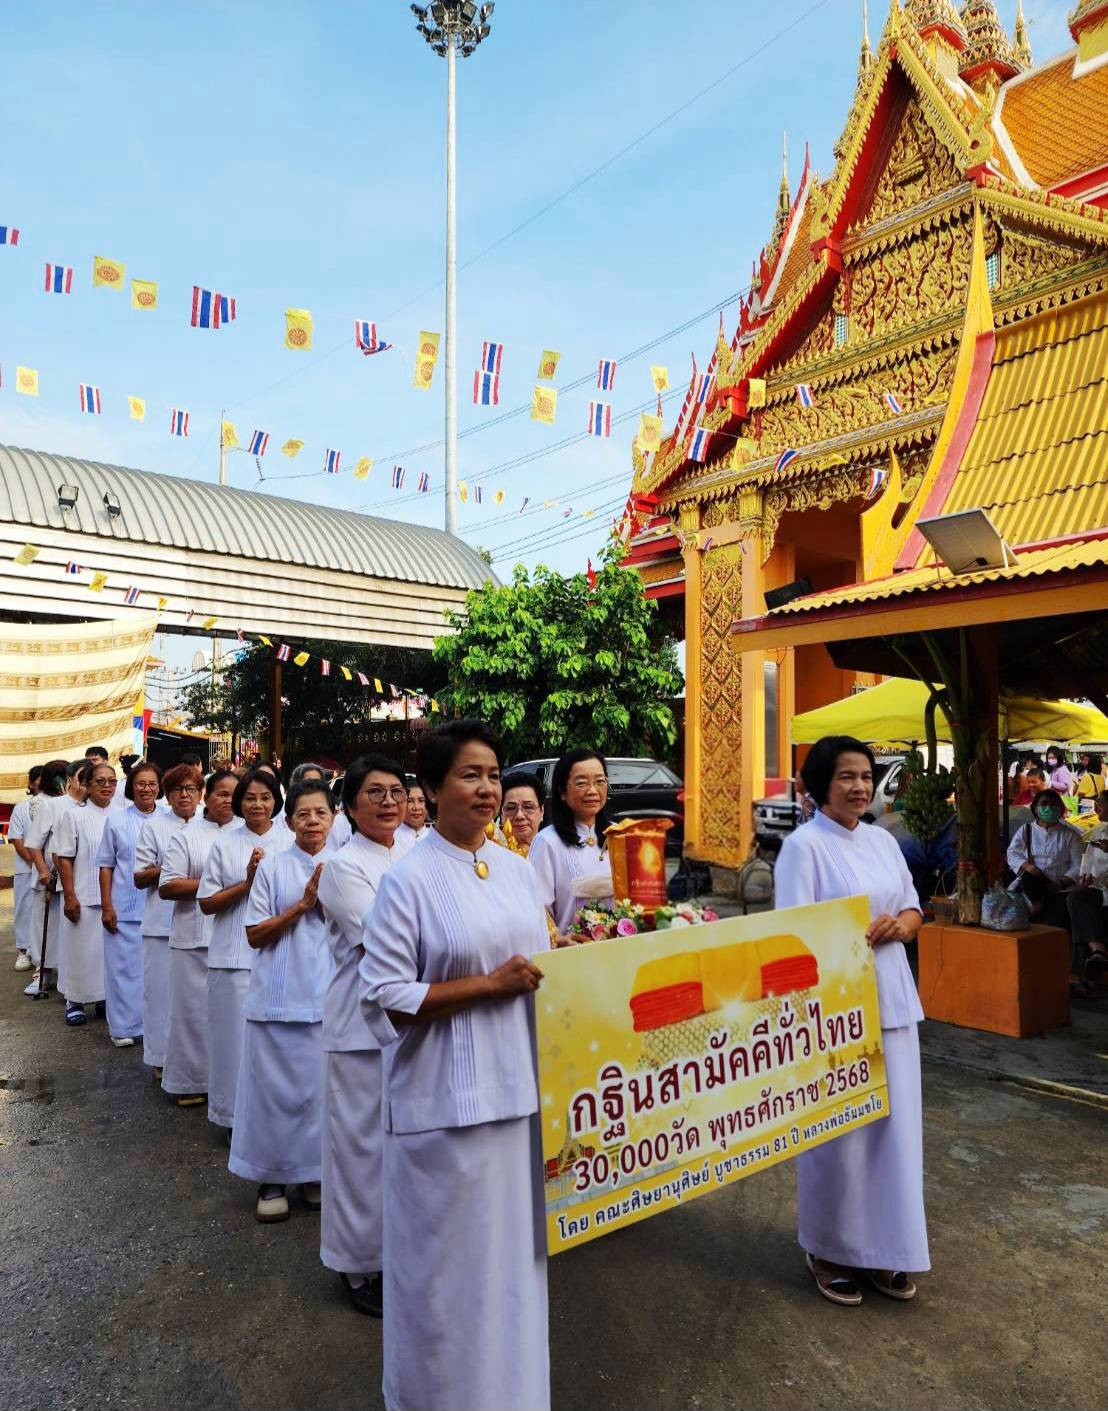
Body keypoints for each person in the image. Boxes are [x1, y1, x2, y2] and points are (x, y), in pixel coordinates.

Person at [360, 720, 551, 1411]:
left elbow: (544, 969)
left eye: (495, 774)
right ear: (434, 788)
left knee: (512, 1275)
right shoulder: (407, 879)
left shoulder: (517, 869)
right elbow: (384, 995)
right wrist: (486, 986)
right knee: (447, 1276)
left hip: (520, 1097)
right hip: (444, 1109)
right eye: (471, 774)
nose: (488, 787)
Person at [775, 735, 928, 1305]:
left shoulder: (885, 842)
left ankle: (887, 1249)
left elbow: (914, 906)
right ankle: (829, 1248)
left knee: (894, 1134)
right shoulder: (803, 847)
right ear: (819, 785)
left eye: (866, 775)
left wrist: (903, 928)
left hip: (893, 1001)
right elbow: (792, 939)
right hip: (834, 1012)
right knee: (838, 1137)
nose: (860, 786)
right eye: (846, 776)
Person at [316, 755, 410, 1316]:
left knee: (403, 1148)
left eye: (396, 790)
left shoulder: (418, 852)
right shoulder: (342, 867)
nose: (388, 801)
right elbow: (385, 938)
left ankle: (400, 1254)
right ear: (350, 805)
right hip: (358, 1027)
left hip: (412, 1024)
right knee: (359, 1151)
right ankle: (357, 1266)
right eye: (373, 792)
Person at [229, 778, 334, 1223]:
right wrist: (301, 907)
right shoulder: (273, 867)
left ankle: (313, 1174)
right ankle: (271, 1178)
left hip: (328, 996)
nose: (312, 821)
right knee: (273, 1093)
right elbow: (254, 934)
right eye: (303, 814)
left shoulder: (344, 866)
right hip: (278, 995)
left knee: (319, 1092)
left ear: (334, 819)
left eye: (321, 813)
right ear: (289, 821)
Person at [198, 768, 291, 1135]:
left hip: (280, 955)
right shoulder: (224, 843)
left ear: (276, 802)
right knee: (232, 1045)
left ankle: (275, 1119)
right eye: (250, 798)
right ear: (240, 803)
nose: (258, 805)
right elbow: (206, 902)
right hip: (232, 957)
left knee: (276, 1046)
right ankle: (234, 1119)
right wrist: (247, 884)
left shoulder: (292, 840)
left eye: (265, 798)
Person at [159, 769, 240, 1107]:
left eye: (236, 795)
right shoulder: (188, 835)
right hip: (192, 936)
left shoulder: (247, 835)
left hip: (237, 937)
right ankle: (190, 1081)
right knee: (192, 1014)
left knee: (231, 1018)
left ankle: (232, 1085)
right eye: (222, 793)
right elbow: (168, 885)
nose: (229, 801)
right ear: (207, 795)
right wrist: (216, 883)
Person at [134, 765, 202, 1079]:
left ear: (201, 793)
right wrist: (172, 871)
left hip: (199, 924)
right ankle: (161, 1059)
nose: (184, 795)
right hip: (160, 924)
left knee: (193, 1000)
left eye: (190, 789)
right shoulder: (154, 827)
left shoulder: (210, 825)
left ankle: (196, 1063)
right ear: (168, 794)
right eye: (177, 790)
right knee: (159, 995)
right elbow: (139, 876)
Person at [96, 762, 161, 1048]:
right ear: (131, 787)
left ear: (159, 787)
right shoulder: (117, 822)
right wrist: (107, 906)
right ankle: (122, 1027)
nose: (146, 789)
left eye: (151, 784)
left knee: (155, 974)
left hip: (163, 908)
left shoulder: (170, 819)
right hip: (125, 907)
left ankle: (154, 1027)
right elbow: (106, 866)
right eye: (140, 784)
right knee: (123, 971)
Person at [53, 761, 118, 1028]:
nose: (106, 786)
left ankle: (105, 999)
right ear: (87, 786)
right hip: (82, 892)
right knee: (80, 951)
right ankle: (75, 1001)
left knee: (108, 953)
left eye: (111, 781)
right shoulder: (75, 816)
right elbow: (64, 858)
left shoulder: (122, 815)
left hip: (113, 897)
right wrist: (69, 895)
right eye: (99, 781)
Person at [528, 748, 615, 934]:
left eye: (600, 781)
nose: (592, 791)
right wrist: (558, 940)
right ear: (562, 792)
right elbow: (537, 912)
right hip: (570, 953)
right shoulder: (547, 842)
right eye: (582, 783)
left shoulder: (619, 834)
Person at [22, 760, 71, 995]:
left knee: (66, 927)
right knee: (44, 925)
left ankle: (66, 972)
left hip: (70, 875)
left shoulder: (82, 803)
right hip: (48, 874)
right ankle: (42, 971)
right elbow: (35, 843)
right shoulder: (42, 803)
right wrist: (43, 871)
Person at [8, 765, 43, 971]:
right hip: (26, 868)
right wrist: (34, 862)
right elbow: (16, 838)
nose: (40, 782)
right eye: (36, 778)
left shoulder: (57, 805)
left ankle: (40, 953)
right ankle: (23, 950)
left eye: (43, 778)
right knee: (25, 908)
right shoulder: (21, 808)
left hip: (48, 869)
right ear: (30, 783)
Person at [1076, 791, 1108, 988]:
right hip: (1100, 889)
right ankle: (1098, 952)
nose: (1096, 809)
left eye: (1101, 804)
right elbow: (1087, 862)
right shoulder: (1098, 831)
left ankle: (1088, 980)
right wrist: (1085, 878)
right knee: (1076, 901)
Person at [499, 769, 545, 853]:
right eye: (511, 808)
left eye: (528, 807)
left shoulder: (555, 853)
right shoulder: (490, 856)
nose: (519, 816)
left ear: (542, 811)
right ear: (501, 814)